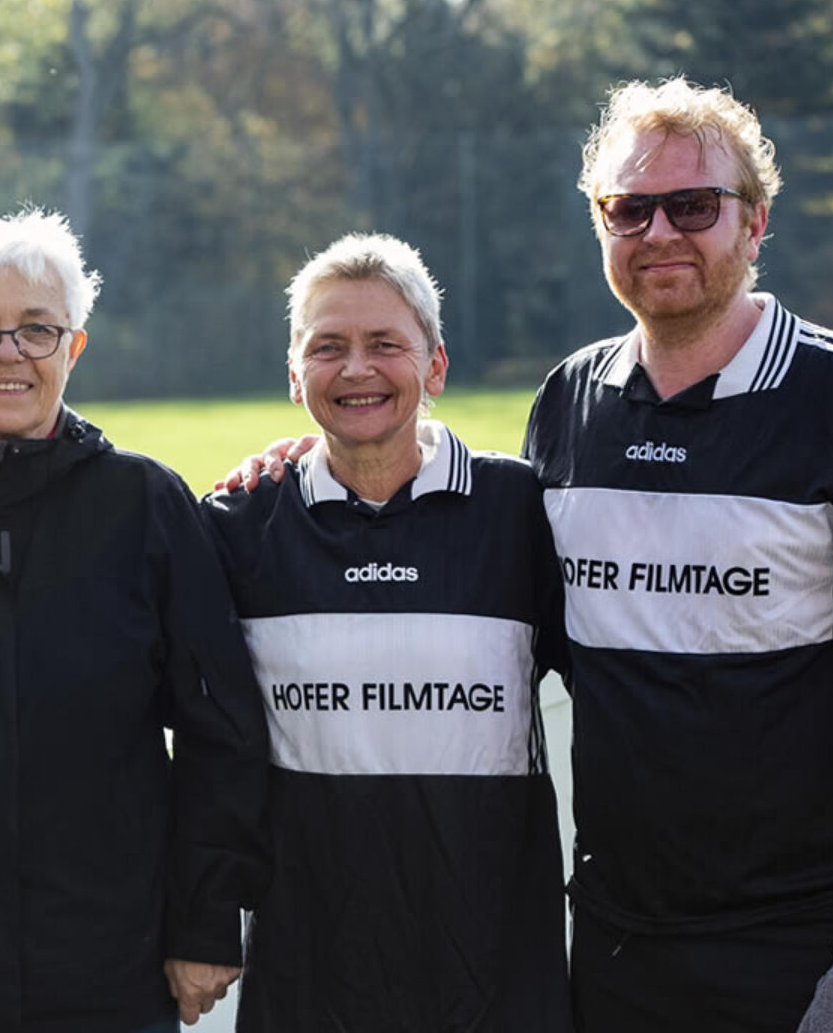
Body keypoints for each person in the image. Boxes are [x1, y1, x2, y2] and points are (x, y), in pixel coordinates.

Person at [0, 209, 269, 1032]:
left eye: (37, 330)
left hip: (105, 971)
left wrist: (204, 921)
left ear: (74, 347)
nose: (8, 355)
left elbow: (222, 733)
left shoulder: (145, 505)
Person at [522, 77, 833, 1031]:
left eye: (694, 205)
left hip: (802, 944)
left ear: (755, 223)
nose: (660, 232)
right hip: (618, 941)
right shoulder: (571, 399)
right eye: (629, 208)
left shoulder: (825, 395)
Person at [203, 233, 571, 1031]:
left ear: (435, 366)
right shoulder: (235, 527)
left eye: (385, 345)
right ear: (295, 375)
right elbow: (198, 746)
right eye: (328, 347)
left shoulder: (518, 512)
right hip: (308, 984)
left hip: (498, 980)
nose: (357, 369)